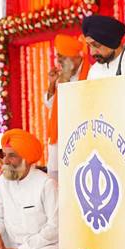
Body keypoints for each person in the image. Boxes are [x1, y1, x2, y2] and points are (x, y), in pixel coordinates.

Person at [44, 34, 90, 180]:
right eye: (58, 57)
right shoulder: (63, 75)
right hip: (59, 135)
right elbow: (50, 105)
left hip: (79, 135)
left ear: (75, 57)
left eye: (62, 58)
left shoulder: (91, 73)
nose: (58, 62)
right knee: (55, 180)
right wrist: (52, 83)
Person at [82, 14, 125, 79]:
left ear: (112, 43)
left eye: (96, 45)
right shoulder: (94, 70)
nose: (92, 52)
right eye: (89, 46)